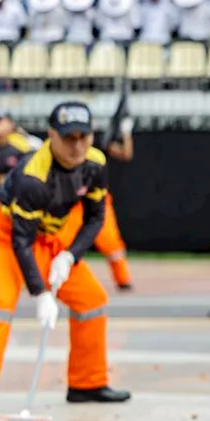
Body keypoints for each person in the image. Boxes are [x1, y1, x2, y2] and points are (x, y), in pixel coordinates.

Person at [0, 102, 131, 421]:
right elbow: (20, 241)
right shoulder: (33, 176)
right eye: (68, 138)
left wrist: (69, 255)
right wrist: (40, 294)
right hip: (2, 237)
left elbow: (95, 218)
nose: (77, 145)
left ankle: (87, 383)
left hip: (48, 240)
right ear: (51, 136)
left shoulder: (95, 164)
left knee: (92, 300)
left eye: (83, 136)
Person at [57, 115, 136, 291]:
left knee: (110, 242)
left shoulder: (99, 147)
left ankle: (123, 280)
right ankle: (55, 275)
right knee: (61, 240)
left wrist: (126, 133)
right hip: (72, 202)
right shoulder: (61, 148)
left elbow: (126, 154)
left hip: (97, 198)